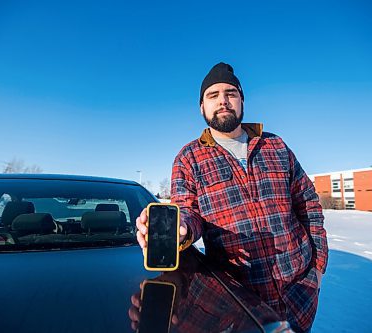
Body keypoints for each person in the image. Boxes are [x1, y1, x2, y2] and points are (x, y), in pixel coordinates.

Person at [136, 62, 328, 333]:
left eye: (231, 93)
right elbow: (187, 212)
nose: (223, 101)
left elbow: (309, 205)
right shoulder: (189, 158)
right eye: (213, 96)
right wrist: (179, 232)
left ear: (242, 100)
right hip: (236, 301)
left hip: (300, 294)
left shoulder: (276, 145)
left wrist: (317, 269)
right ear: (201, 107)